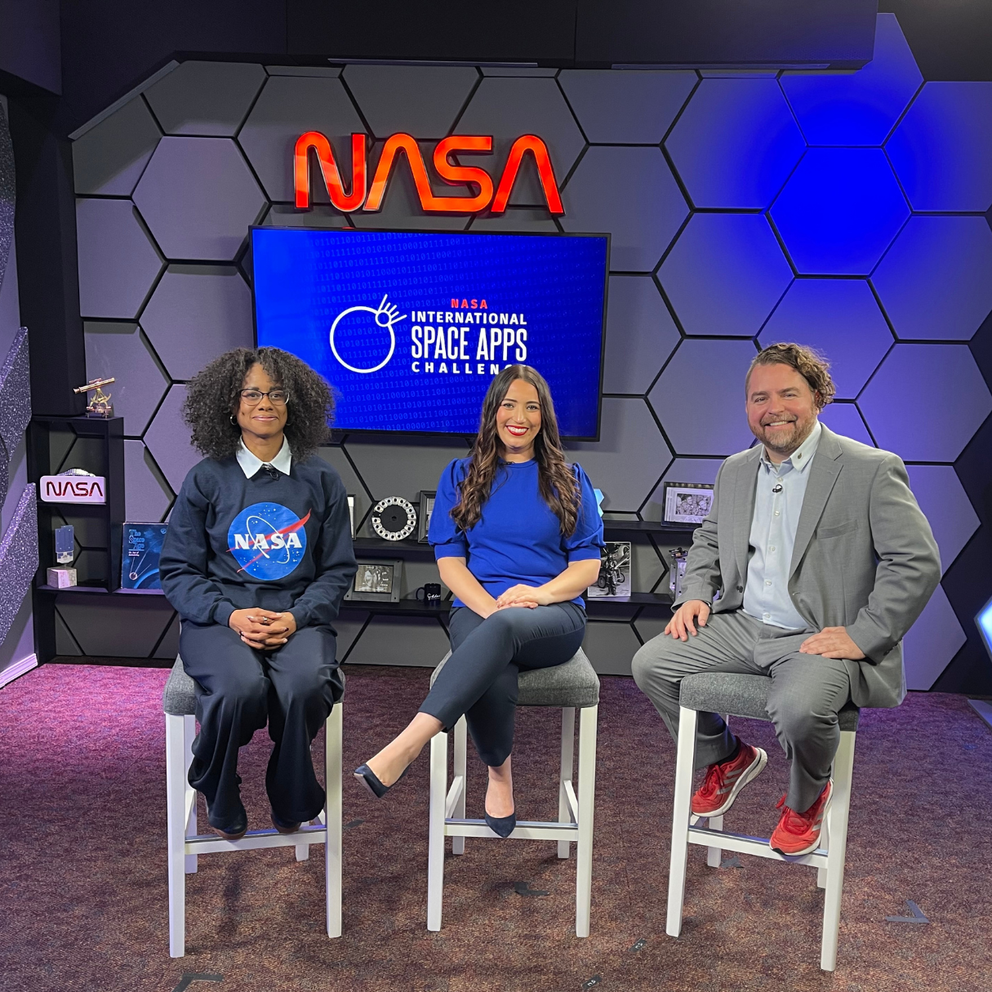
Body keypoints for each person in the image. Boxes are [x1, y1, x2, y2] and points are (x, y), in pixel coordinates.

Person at [631, 343, 940, 855]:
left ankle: (807, 798)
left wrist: (864, 634)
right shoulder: (734, 469)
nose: (772, 408)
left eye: (788, 394)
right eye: (759, 397)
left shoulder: (870, 468)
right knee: (652, 664)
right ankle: (726, 757)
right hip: (743, 624)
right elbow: (708, 538)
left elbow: (916, 561)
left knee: (796, 708)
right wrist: (696, 594)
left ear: (817, 397)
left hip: (817, 635)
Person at [354, 365, 604, 836]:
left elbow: (586, 569)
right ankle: (499, 774)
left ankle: (409, 743)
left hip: (555, 615)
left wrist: (538, 594)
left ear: (543, 417)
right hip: (478, 609)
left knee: (502, 632)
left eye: (532, 407)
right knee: (496, 657)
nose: (520, 416)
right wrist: (493, 611)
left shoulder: (571, 478)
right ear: (492, 412)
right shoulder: (460, 475)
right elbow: (451, 567)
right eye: (509, 405)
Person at [160, 347, 356, 841]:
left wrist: (298, 616)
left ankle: (290, 791)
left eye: (276, 393)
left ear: (295, 404)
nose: (264, 402)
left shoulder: (322, 479)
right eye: (251, 393)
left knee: (305, 684)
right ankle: (216, 782)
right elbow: (178, 571)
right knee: (239, 688)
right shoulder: (207, 478)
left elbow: (336, 571)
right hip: (221, 620)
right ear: (231, 404)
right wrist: (229, 615)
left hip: (298, 619)